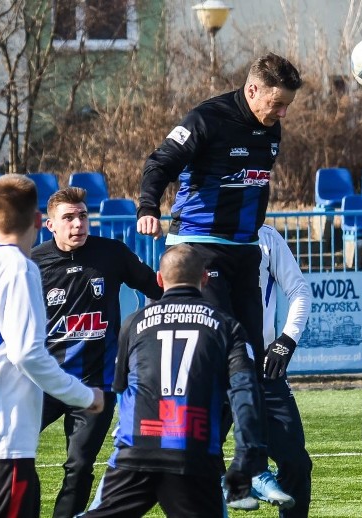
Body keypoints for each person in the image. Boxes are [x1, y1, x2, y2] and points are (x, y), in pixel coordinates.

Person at [136, 52, 303, 504]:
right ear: (252, 90)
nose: (282, 113)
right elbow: (160, 163)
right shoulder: (206, 119)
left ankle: (248, 470)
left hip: (244, 253)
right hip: (198, 249)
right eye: (277, 102)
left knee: (248, 360)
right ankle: (144, 460)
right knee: (223, 353)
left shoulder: (271, 129)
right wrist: (148, 207)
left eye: (287, 105)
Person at [0, 175, 104, 518]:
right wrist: (85, 396)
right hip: (6, 436)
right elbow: (27, 353)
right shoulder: (19, 268)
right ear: (37, 222)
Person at [83, 244, 266, 517]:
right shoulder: (228, 326)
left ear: (159, 279)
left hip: (136, 451)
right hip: (192, 452)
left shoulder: (134, 323)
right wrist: (246, 456)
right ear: (205, 277)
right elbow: (245, 395)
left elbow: (120, 387)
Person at [32, 187, 165, 518]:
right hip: (44, 384)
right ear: (50, 225)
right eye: (68, 218)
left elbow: (157, 288)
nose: (77, 224)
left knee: (79, 467)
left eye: (82, 216)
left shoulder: (112, 254)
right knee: (13, 455)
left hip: (95, 388)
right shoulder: (32, 264)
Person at [244, 224, 313, 515]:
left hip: (262, 370)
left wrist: (286, 340)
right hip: (211, 368)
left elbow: (300, 290)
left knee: (296, 463)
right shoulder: (195, 233)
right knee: (187, 462)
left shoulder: (266, 236)